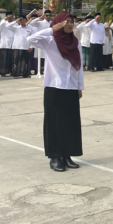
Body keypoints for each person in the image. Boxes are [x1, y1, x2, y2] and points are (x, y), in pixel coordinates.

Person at [27, 13, 84, 172]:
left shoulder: (76, 43)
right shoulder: (50, 41)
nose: (69, 24)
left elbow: (79, 67)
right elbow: (30, 40)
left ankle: (67, 155)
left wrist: (80, 86)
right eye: (66, 21)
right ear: (59, 23)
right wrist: (52, 29)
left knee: (70, 122)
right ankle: (55, 156)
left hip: (71, 86)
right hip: (54, 86)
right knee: (55, 122)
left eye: (72, 22)